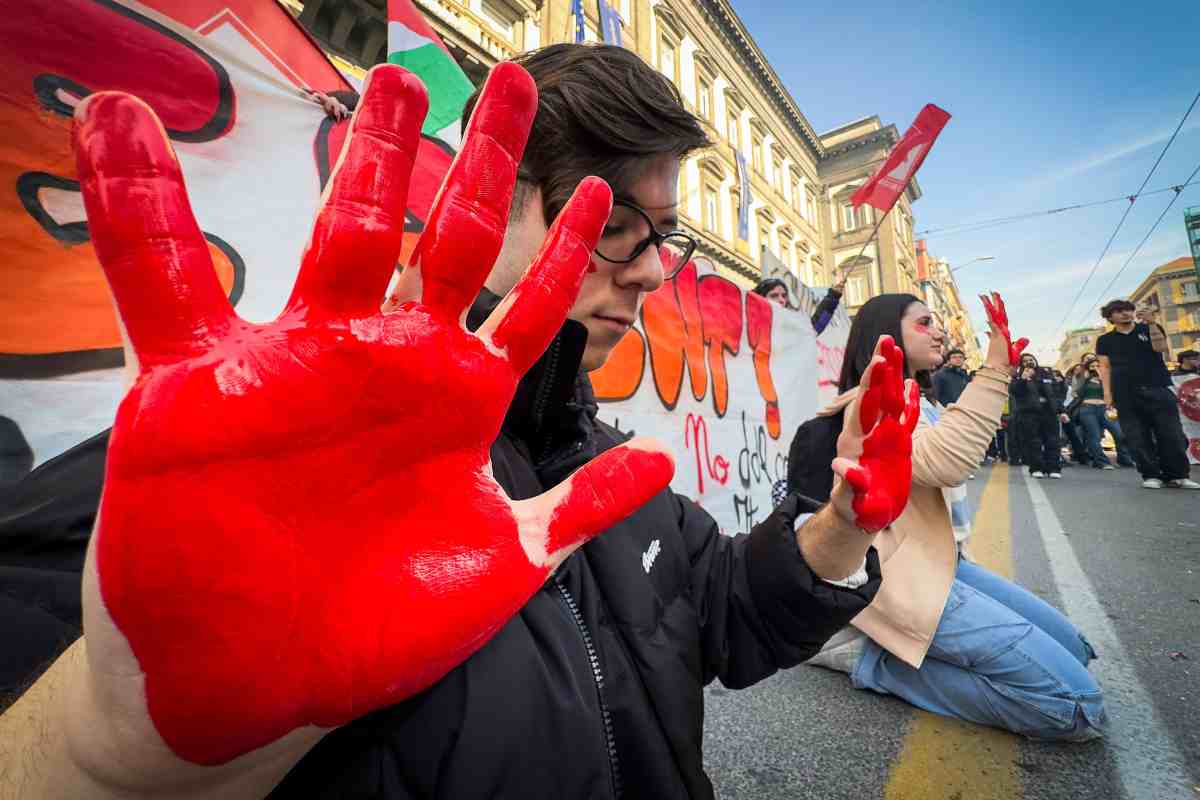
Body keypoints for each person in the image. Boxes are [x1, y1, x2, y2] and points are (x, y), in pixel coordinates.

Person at [1, 47, 911, 799]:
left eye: (661, 239)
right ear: (492, 189)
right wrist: (104, 755)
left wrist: (843, 524)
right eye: (615, 221)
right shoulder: (235, 475)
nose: (642, 271)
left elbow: (728, 614)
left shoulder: (613, 472)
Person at [786, 293, 1105, 741]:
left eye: (936, 322)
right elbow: (946, 461)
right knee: (1073, 707)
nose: (938, 331)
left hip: (942, 563)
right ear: (886, 335)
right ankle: (865, 657)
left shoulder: (920, 399)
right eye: (923, 323)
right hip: (888, 578)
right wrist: (994, 370)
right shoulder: (868, 405)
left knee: (1078, 650)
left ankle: (904, 643)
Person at [1095, 300, 1199, 489]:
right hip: (1125, 393)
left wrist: (1151, 323)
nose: (1125, 313)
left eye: (1128, 310)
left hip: (1158, 387)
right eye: (1119, 311)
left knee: (1171, 434)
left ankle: (1178, 475)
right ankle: (1151, 475)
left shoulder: (1149, 328)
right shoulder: (1104, 340)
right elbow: (1105, 367)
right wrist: (1107, 394)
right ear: (1110, 317)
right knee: (1137, 436)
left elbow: (1161, 349)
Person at [1010, 355, 1067, 478]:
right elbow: (1014, 391)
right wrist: (1023, 379)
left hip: (1049, 412)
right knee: (1033, 441)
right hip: (1029, 413)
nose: (1029, 362)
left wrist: (1062, 411)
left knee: (1052, 440)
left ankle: (1053, 468)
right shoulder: (1019, 376)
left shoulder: (1046, 374)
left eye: (1031, 360)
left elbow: (1055, 395)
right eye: (1025, 361)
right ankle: (1036, 468)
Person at [1072, 359, 1133, 470]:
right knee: (1094, 436)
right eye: (1092, 366)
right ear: (1088, 367)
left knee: (1119, 433)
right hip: (1088, 409)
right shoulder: (1083, 378)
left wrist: (1103, 378)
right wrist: (1085, 379)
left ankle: (1124, 459)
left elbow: (1113, 392)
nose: (1095, 367)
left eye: (1097, 365)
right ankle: (1101, 461)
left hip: (1104, 409)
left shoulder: (1106, 379)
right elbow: (1077, 393)